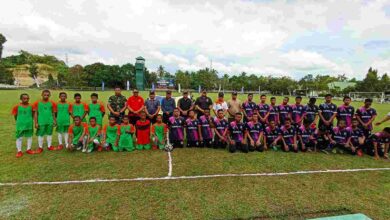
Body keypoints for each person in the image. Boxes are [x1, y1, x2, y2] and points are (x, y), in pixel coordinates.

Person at [12, 93, 34, 157]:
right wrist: (19, 121)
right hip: (20, 124)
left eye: (27, 98)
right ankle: (19, 151)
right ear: (21, 99)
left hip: (29, 124)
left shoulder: (31, 106)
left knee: (29, 137)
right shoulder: (17, 106)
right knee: (19, 137)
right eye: (24, 98)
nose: (26, 100)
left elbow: (33, 114)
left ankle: (28, 149)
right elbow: (15, 115)